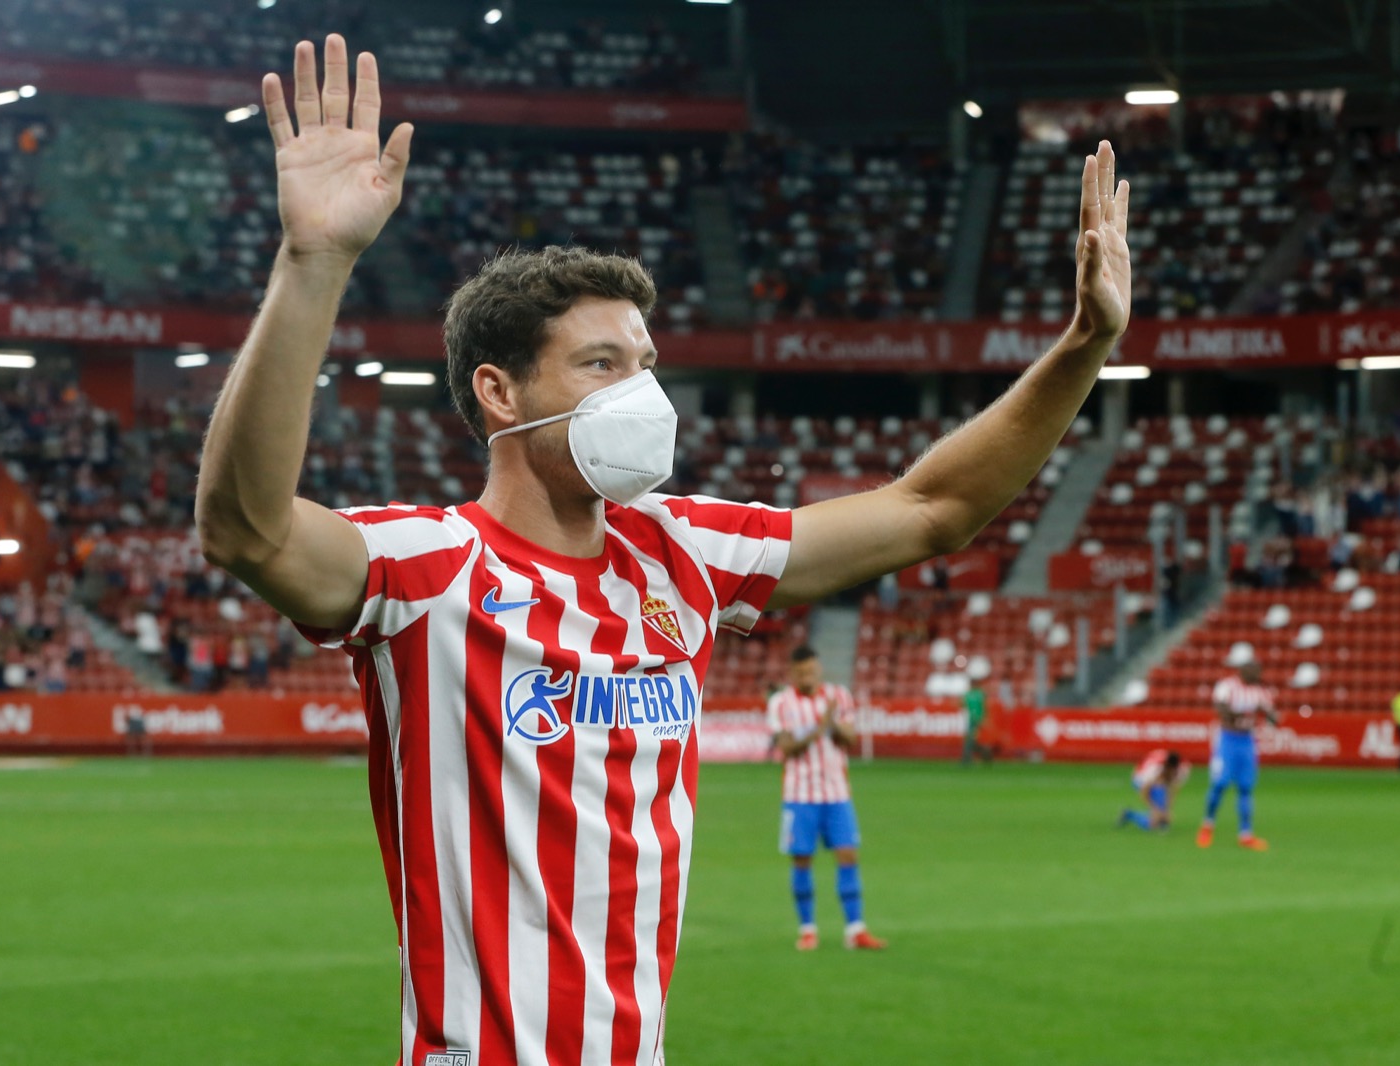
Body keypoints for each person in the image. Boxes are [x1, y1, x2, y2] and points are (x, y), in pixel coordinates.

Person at [194, 34, 1131, 1064]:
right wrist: (315, 261)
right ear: (498, 393)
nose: (639, 393)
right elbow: (247, 525)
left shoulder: (683, 551)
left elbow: (930, 509)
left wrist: (1081, 345)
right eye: (599, 363)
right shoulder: (431, 569)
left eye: (644, 362)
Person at [765, 646, 884, 951]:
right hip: (799, 795)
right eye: (802, 672)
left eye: (813, 670)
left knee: (848, 856)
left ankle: (855, 930)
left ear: (819, 669)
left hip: (836, 793)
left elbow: (850, 739)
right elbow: (787, 749)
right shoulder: (781, 703)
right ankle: (808, 929)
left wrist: (831, 723)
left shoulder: (838, 696)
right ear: (793, 673)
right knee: (802, 860)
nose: (809, 676)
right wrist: (819, 728)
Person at [1197, 660, 1278, 850]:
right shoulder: (1227, 686)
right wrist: (1243, 714)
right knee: (1220, 784)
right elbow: (1221, 708)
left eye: (1258, 670)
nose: (1256, 674)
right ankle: (1207, 826)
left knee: (1245, 787)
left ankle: (1246, 834)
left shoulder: (1261, 691)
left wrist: (1272, 716)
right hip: (1227, 740)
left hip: (1247, 741)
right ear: (1241, 671)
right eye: (1252, 670)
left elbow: (1269, 712)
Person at [1117, 748, 1189, 831]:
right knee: (1153, 823)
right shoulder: (1153, 771)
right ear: (1166, 767)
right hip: (1139, 779)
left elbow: (1173, 790)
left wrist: (1167, 810)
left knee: (1162, 817)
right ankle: (1129, 814)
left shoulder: (1183, 769)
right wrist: (1155, 809)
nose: (1173, 774)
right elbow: (1143, 792)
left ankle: (1160, 821)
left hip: (1156, 779)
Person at [960, 679, 993, 765]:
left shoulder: (968, 695)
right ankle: (982, 755)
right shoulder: (980, 694)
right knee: (973, 740)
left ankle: (967, 758)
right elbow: (984, 706)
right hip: (979, 720)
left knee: (970, 740)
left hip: (973, 720)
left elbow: (961, 704)